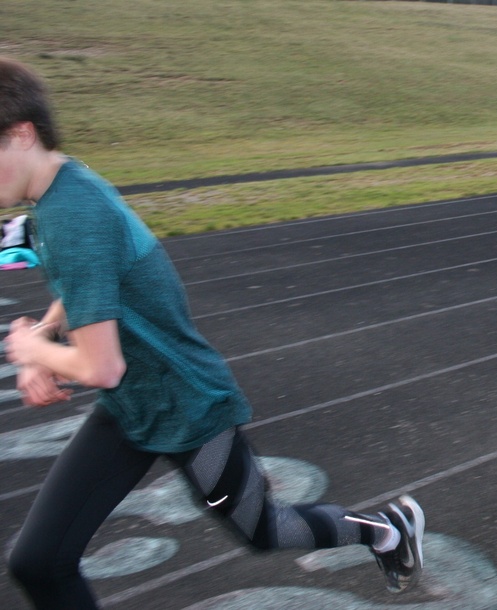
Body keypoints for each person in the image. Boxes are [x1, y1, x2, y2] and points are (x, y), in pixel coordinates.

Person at [0, 57, 424, 609]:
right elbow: (91, 282)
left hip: (189, 407)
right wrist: (50, 335)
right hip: (134, 409)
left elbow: (102, 366)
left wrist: (32, 348)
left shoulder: (72, 212)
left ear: (21, 134)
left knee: (263, 529)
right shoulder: (64, 187)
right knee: (38, 560)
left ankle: (385, 529)